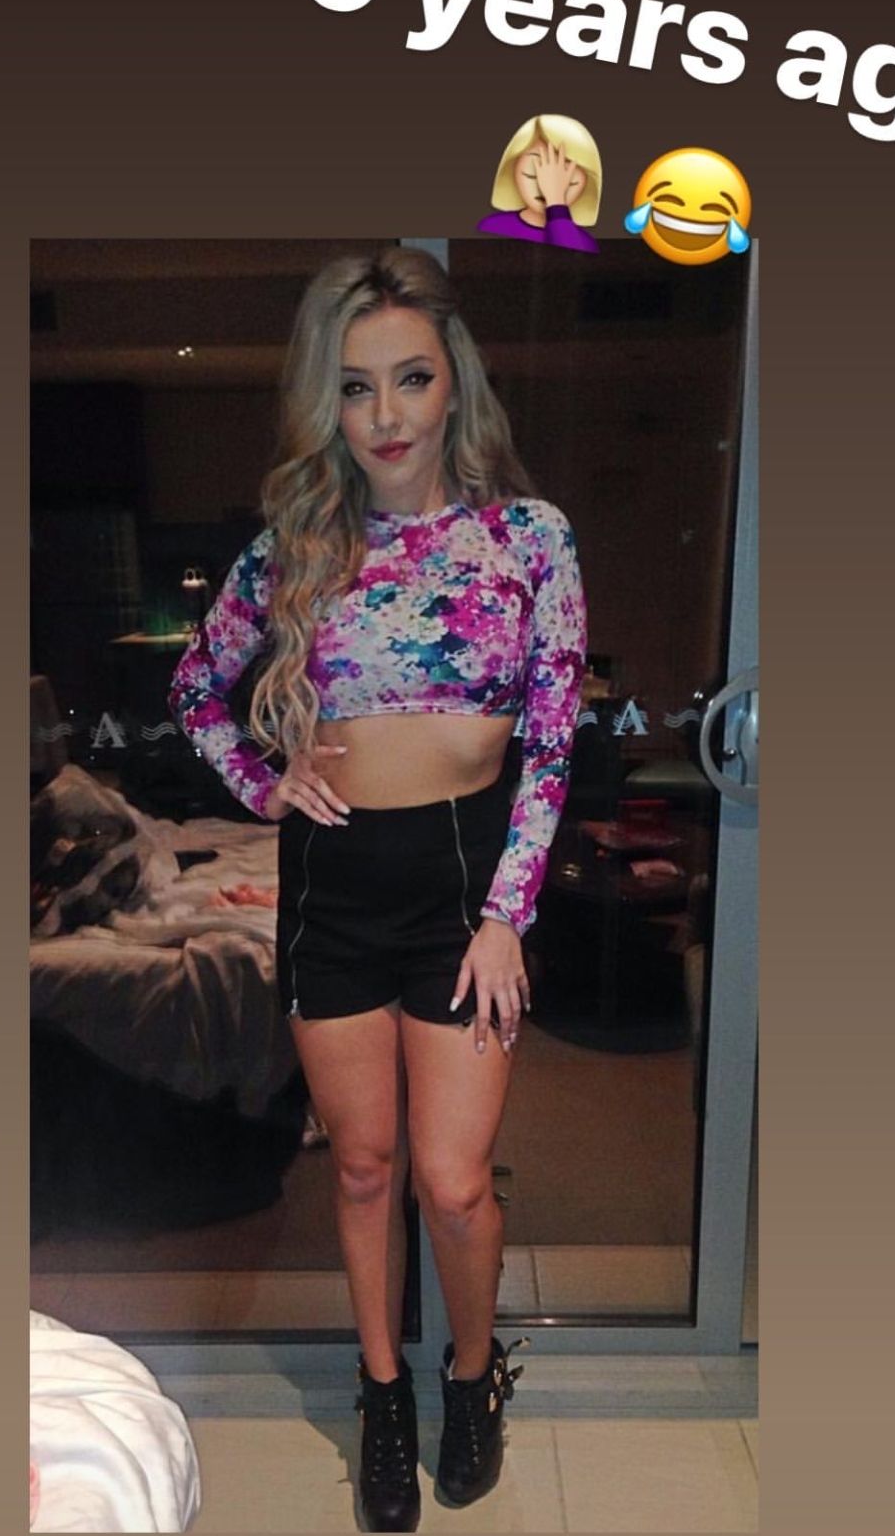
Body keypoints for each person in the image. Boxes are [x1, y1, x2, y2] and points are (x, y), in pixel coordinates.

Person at [169, 247, 587, 1533]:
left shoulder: (529, 539)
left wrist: (509, 913)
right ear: (330, 405)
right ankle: (384, 1391)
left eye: (411, 379)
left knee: (451, 1182)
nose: (387, 415)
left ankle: (472, 1373)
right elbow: (194, 692)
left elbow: (551, 743)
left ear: (454, 383)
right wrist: (263, 784)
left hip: (465, 882)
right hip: (333, 881)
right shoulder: (293, 548)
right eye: (356, 388)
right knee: (360, 1168)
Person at [477, 113, 602, 253]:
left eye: (566, 180)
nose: (546, 187)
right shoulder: (494, 227)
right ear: (513, 169)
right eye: (532, 174)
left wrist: (556, 201)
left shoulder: (584, 243)